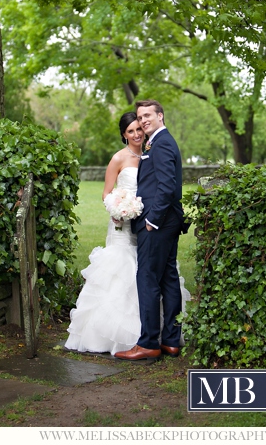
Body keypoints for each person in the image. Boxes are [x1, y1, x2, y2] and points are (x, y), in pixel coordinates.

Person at [64, 112, 148, 354]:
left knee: (142, 269)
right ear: (124, 135)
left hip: (144, 224)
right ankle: (111, 335)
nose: (136, 134)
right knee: (120, 269)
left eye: (138, 129)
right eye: (131, 131)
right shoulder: (118, 159)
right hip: (122, 224)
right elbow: (106, 192)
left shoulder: (150, 155)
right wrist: (117, 209)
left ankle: (146, 331)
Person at [115, 100, 190, 361]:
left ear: (160, 115)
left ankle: (148, 342)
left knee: (147, 277)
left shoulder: (162, 142)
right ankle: (170, 340)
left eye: (148, 115)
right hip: (167, 222)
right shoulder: (157, 141)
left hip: (157, 222)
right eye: (140, 116)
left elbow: (167, 187)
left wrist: (152, 221)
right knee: (168, 277)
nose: (143, 120)